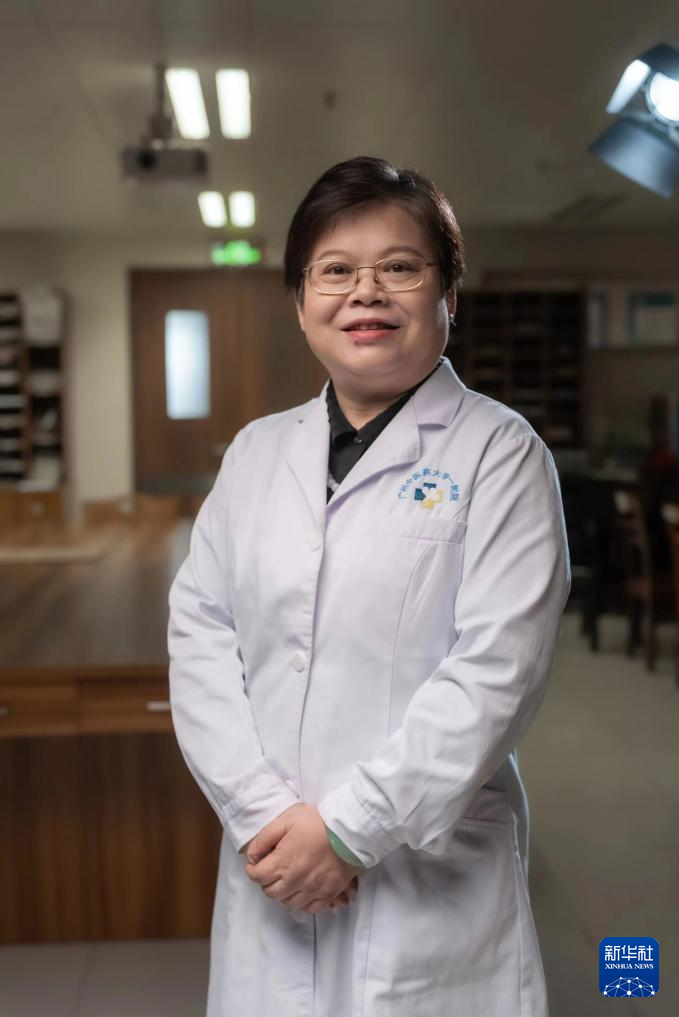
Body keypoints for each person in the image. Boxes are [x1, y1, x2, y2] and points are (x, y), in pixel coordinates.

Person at [168, 155, 571, 1017]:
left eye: (399, 267)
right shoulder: (256, 452)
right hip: (271, 856)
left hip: (426, 871)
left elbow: (497, 670)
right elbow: (200, 634)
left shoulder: (500, 453)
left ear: (448, 293)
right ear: (300, 300)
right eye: (334, 270)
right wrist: (262, 814)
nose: (365, 293)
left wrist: (349, 830)